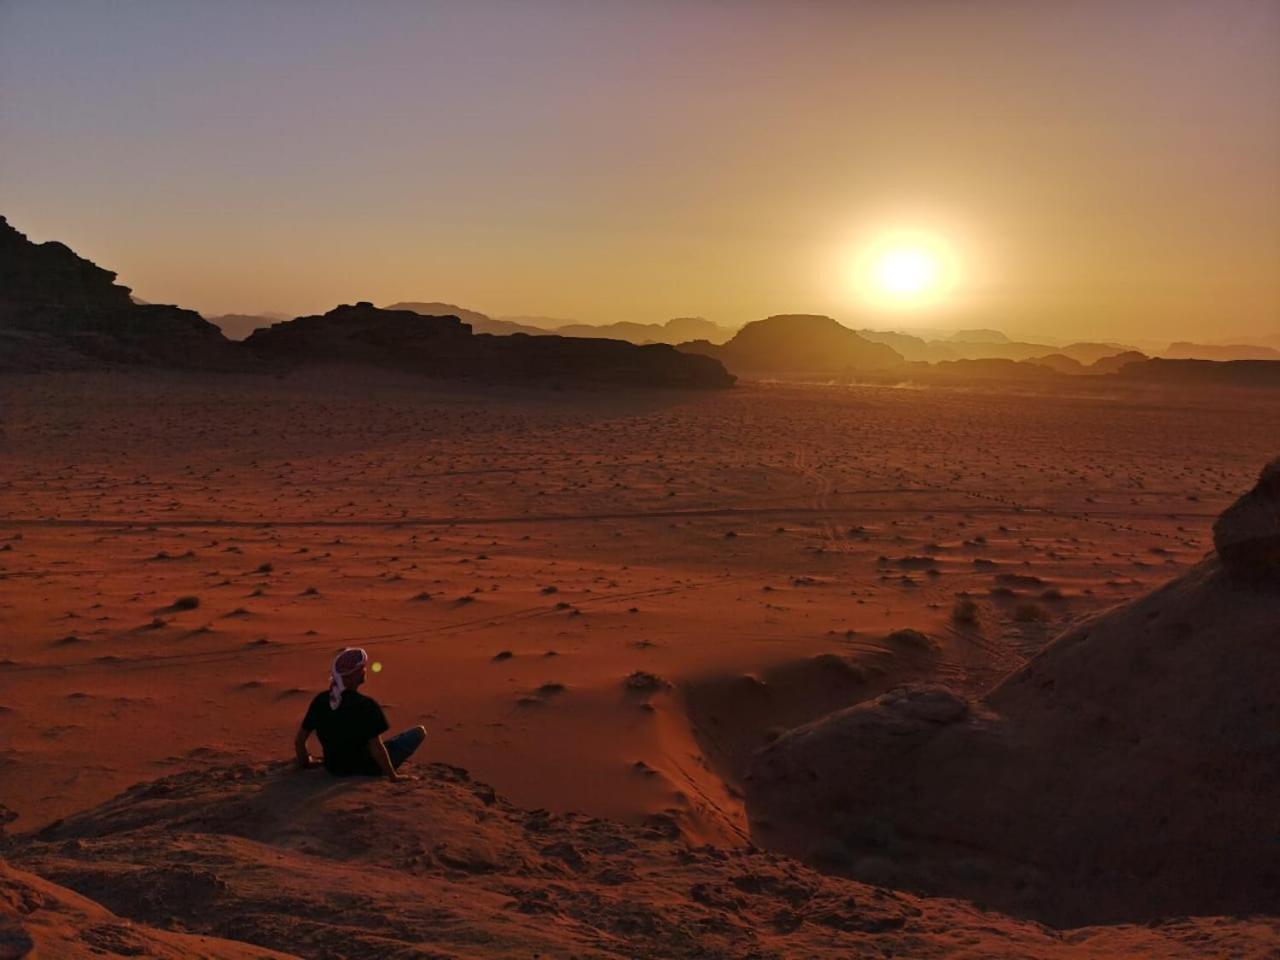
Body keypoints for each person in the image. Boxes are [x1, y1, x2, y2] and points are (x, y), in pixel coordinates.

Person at [294, 647, 425, 781]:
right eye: (361, 669)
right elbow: (377, 749)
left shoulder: (320, 701)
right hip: (367, 768)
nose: (365, 670)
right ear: (352, 676)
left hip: (333, 767)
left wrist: (305, 763)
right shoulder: (366, 705)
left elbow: (299, 741)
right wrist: (393, 776)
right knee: (418, 732)